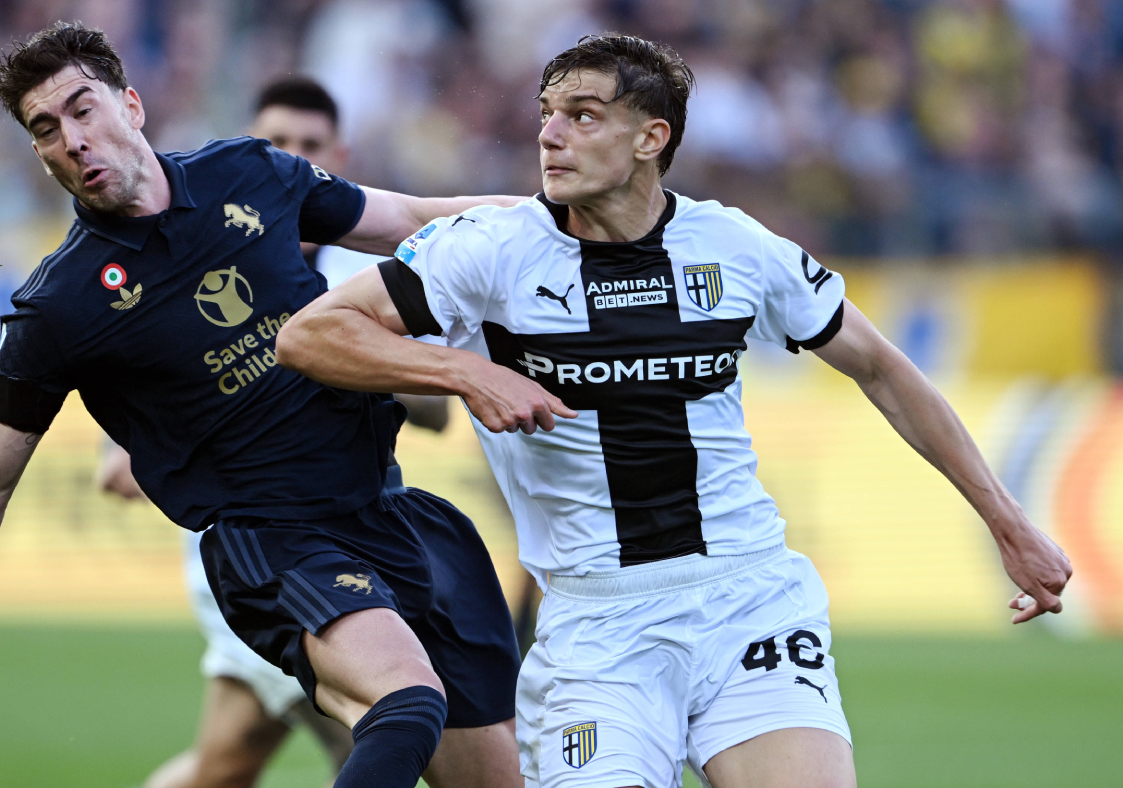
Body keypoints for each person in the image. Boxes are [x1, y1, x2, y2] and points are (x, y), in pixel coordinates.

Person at [276, 34, 1075, 788]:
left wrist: (1008, 522)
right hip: (597, 628)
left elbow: (883, 368)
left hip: (750, 601)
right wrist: (465, 373)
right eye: (547, 114)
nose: (550, 135)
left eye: (583, 116)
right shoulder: (491, 248)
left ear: (650, 138)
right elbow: (311, 335)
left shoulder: (733, 245)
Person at [0, 22, 523, 788]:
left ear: (132, 105)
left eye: (82, 109)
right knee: (404, 703)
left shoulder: (250, 173)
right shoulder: (59, 307)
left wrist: (560, 222)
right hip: (276, 543)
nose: (71, 140)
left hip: (389, 509)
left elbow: (410, 221)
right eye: (45, 129)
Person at [99, 76, 449, 788]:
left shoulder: (369, 273)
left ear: (337, 157)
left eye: (310, 144)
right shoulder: (201, 259)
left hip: (354, 533)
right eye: (277, 142)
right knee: (384, 728)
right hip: (259, 548)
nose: (294, 156)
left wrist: (353, 355)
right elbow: (125, 441)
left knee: (226, 765)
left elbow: (439, 413)